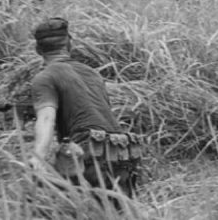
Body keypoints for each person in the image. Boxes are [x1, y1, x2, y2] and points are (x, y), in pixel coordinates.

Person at [28, 17, 141, 202]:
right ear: (70, 43)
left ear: (38, 50)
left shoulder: (44, 77)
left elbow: (46, 118)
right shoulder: (92, 73)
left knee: (48, 203)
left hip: (87, 154)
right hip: (122, 152)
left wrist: (38, 157)